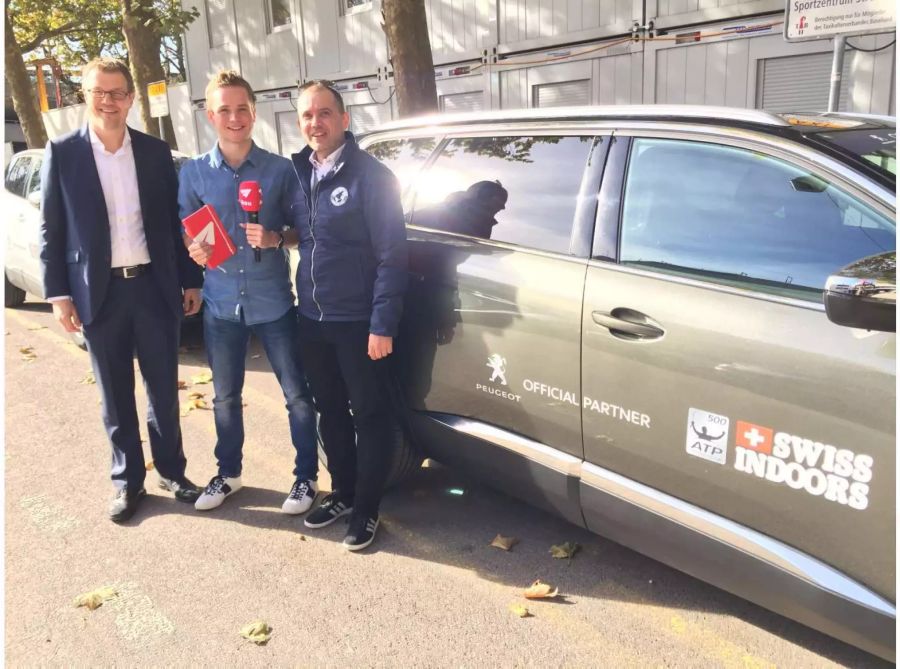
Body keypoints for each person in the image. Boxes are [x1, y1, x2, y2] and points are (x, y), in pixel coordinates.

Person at [39, 57, 204, 523]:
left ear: (131, 98)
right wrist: (58, 295)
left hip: (154, 288)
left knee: (163, 391)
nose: (108, 101)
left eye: (116, 93)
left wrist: (192, 279)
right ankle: (127, 481)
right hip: (98, 294)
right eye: (98, 92)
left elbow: (174, 224)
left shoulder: (153, 152)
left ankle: (172, 471)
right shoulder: (63, 152)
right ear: (86, 96)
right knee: (114, 394)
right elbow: (52, 230)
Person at [178, 70, 319, 514]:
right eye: (225, 110)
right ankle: (229, 473)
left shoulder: (281, 170)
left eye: (242, 109)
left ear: (254, 113)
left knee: (297, 395)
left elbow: (305, 230)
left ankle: (306, 478)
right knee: (224, 397)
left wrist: (276, 238)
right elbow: (186, 230)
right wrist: (194, 249)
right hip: (221, 305)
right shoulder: (194, 172)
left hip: (274, 302)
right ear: (210, 116)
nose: (234, 118)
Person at [290, 80, 407, 551]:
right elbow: (299, 233)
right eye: (306, 116)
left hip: (358, 322)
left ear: (344, 119)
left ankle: (367, 508)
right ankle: (343, 491)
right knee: (330, 411)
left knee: (370, 415)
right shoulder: (298, 173)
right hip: (312, 318)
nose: (315, 123)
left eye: (324, 114)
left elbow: (392, 255)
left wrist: (382, 323)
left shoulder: (372, 177)